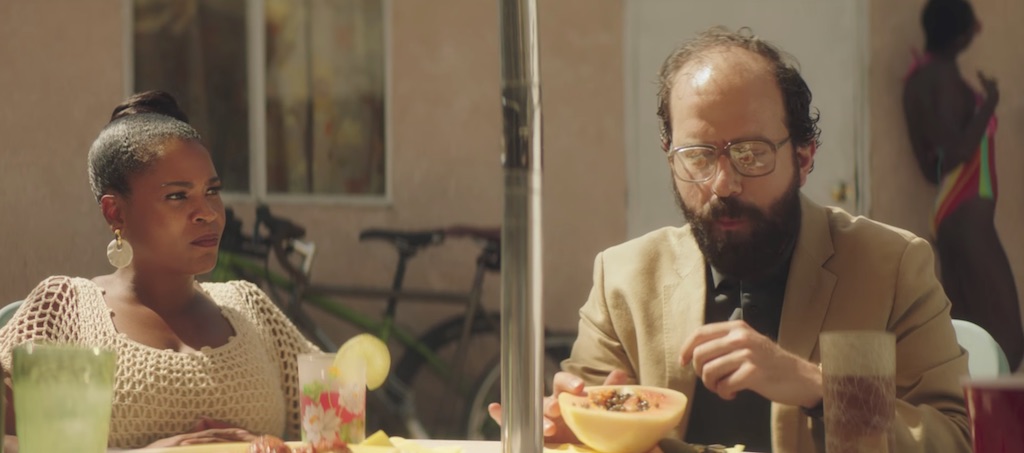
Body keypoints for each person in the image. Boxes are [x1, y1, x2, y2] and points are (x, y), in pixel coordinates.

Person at [490, 27, 971, 452]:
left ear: (804, 157)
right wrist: (571, 429)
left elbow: (959, 439)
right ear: (670, 158)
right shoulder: (623, 280)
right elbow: (584, 424)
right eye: (698, 156)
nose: (723, 184)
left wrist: (818, 387)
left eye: (751, 153)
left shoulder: (891, 266)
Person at [0, 91, 321, 449]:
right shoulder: (63, 310)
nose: (208, 213)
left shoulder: (251, 307)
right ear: (115, 212)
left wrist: (270, 444)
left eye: (212, 191)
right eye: (178, 196)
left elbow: (335, 431)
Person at [902, 0, 1022, 370]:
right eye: (972, 27)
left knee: (970, 341)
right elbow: (957, 152)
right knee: (1008, 342)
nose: (977, 32)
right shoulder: (943, 78)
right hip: (967, 216)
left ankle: (964, 409)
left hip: (950, 211)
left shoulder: (917, 81)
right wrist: (990, 103)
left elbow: (930, 168)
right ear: (959, 36)